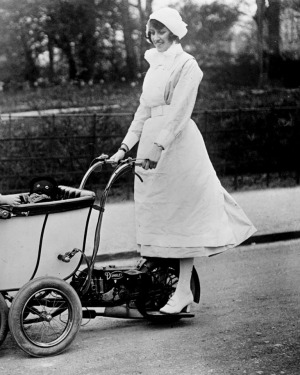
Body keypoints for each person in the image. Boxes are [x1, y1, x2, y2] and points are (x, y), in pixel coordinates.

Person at [108, 7, 256, 315]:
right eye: (153, 31)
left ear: (174, 32)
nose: (157, 37)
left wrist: (159, 146)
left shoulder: (187, 65)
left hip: (176, 144)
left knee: (181, 216)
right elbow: (143, 111)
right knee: (156, 214)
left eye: (162, 31)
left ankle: (183, 288)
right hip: (150, 144)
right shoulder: (154, 65)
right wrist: (124, 148)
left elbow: (179, 112)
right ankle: (155, 283)